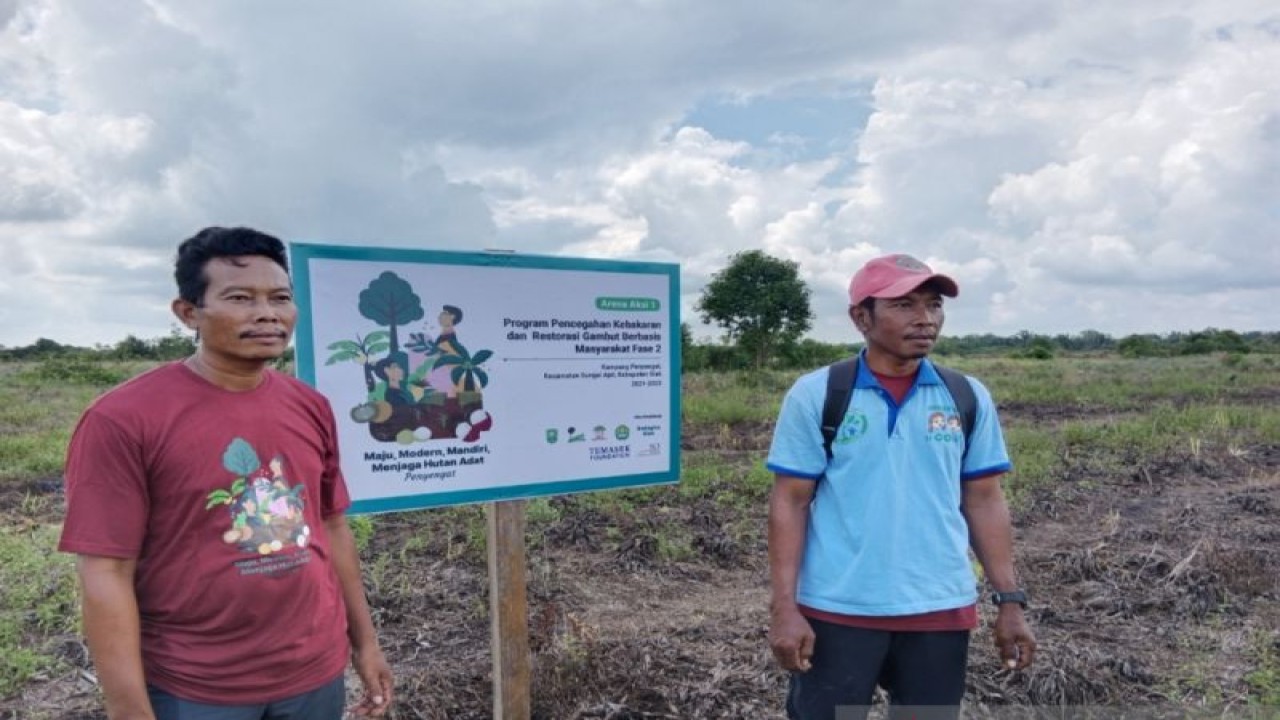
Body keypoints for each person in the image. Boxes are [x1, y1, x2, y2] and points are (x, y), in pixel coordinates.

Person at [59, 226, 394, 719]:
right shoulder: (124, 418)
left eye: (280, 298)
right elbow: (106, 570)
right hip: (196, 686)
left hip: (314, 671)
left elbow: (331, 525)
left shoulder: (310, 405)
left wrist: (365, 644)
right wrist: (129, 708)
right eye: (240, 298)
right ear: (188, 313)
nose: (267, 313)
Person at [767, 253, 1036, 720]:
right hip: (838, 608)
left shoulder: (965, 396)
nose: (925, 318)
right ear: (861, 318)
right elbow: (790, 503)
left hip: (939, 608)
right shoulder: (818, 394)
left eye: (933, 304)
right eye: (904, 305)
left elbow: (984, 500)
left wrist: (1009, 601)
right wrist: (784, 608)